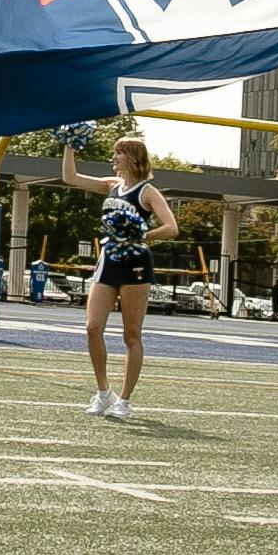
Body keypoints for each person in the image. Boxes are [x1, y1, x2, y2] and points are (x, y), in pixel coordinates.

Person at [60, 128, 179, 420]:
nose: (113, 157)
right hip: (109, 260)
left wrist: (140, 235)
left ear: (133, 157)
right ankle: (103, 393)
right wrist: (70, 146)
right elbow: (71, 178)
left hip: (135, 262)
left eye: (119, 152)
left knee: (131, 334)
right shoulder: (112, 184)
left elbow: (171, 227)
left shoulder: (147, 192)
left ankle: (124, 401)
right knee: (92, 326)